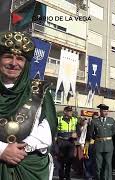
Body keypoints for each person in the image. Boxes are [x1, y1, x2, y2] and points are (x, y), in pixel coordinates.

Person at [0, 31, 57, 179]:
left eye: (20, 59)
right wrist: (2, 150)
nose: (13, 63)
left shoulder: (39, 91)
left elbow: (46, 134)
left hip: (29, 167)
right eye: (7, 57)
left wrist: (16, 151)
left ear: (26, 64)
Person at [86, 104, 115, 180]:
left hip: (109, 145)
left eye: (107, 111)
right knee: (98, 165)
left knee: (108, 164)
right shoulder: (94, 121)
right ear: (100, 111)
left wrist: (106, 137)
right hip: (98, 145)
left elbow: (113, 132)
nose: (106, 112)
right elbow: (90, 133)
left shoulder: (111, 120)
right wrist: (98, 138)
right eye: (104, 111)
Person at [56, 106, 78, 180]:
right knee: (61, 161)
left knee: (69, 160)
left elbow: (79, 129)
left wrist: (77, 134)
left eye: (71, 111)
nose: (70, 112)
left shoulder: (74, 120)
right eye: (68, 111)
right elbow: (54, 130)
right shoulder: (59, 119)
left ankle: (68, 176)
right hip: (61, 141)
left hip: (70, 142)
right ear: (65, 112)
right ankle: (61, 177)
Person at [83, 112, 99, 180]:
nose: (95, 120)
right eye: (94, 118)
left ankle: (93, 175)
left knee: (94, 161)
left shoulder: (98, 126)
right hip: (88, 144)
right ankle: (88, 175)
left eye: (96, 119)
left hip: (95, 144)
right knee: (87, 159)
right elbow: (83, 135)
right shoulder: (88, 125)